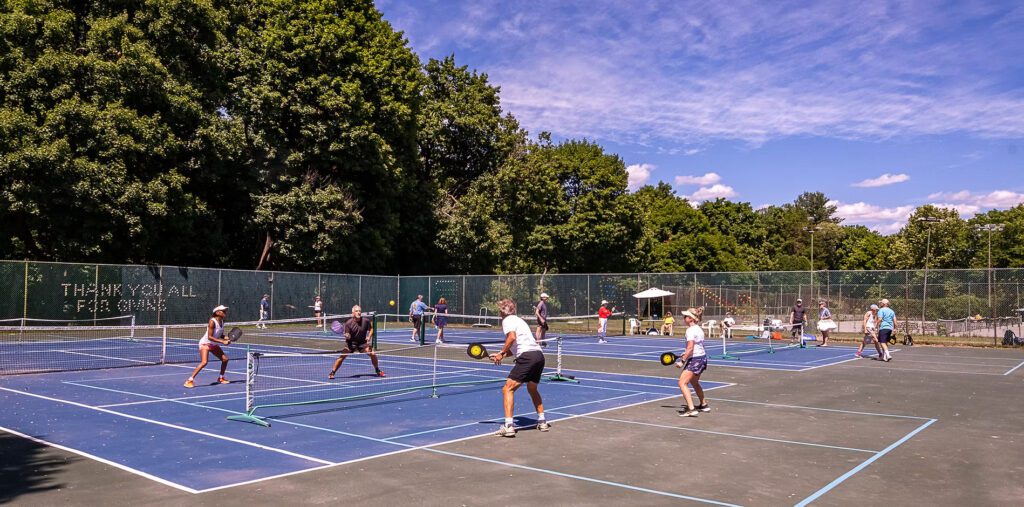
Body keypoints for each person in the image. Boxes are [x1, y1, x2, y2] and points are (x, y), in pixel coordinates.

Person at [491, 299, 549, 437]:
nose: (499, 312)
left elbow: (511, 338)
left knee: (507, 389)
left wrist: (501, 353)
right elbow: (516, 347)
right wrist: (501, 354)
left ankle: (509, 426)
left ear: (503, 311)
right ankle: (542, 421)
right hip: (538, 356)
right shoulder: (519, 321)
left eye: (499, 309)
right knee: (532, 389)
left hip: (527, 357)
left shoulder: (507, 320)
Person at [329, 305, 385, 379]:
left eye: (359, 311)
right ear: (353, 313)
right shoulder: (348, 323)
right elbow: (348, 336)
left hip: (362, 343)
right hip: (351, 343)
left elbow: (371, 329)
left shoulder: (366, 321)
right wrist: (347, 336)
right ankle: (332, 372)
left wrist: (369, 336)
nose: (358, 312)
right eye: (356, 311)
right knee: (342, 357)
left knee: (372, 353)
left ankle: (377, 370)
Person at [184, 305, 232, 388]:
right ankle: (189, 380)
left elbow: (220, 335)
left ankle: (221, 378)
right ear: (217, 312)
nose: (225, 312)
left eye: (225, 311)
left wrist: (226, 338)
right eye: (223, 311)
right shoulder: (212, 321)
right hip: (205, 344)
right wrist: (222, 341)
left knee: (225, 359)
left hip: (213, 344)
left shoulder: (222, 321)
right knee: (204, 362)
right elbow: (210, 337)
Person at [676, 307, 710, 417]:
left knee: (682, 383)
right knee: (694, 382)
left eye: (685, 316)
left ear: (691, 318)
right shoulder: (698, 329)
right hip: (702, 358)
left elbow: (690, 347)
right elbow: (697, 346)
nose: (684, 318)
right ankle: (703, 405)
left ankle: (691, 409)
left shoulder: (690, 331)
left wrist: (682, 361)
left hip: (695, 359)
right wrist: (686, 353)